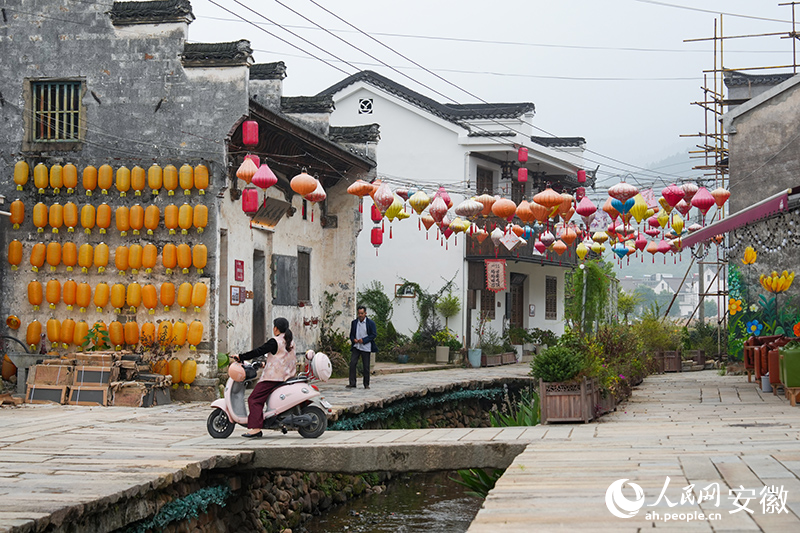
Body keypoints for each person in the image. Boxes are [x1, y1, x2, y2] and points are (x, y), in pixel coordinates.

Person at [233, 317, 297, 438]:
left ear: (276, 328)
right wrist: (264, 364)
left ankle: (256, 428)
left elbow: (259, 351)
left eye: (274, 326)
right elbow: (282, 359)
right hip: (287, 376)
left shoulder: (275, 341)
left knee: (254, 399)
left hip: (273, 378)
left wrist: (241, 357)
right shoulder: (290, 341)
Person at [348, 306, 377, 389]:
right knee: (352, 363)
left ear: (365, 313)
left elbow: (373, 335)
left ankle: (366, 384)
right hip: (356, 346)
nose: (360, 315)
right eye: (359, 313)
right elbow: (351, 334)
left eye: (362, 313)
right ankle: (352, 383)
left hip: (366, 347)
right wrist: (353, 339)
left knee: (366, 366)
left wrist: (364, 340)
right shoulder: (354, 322)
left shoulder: (370, 323)